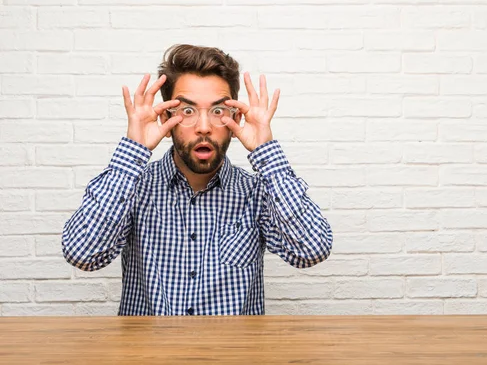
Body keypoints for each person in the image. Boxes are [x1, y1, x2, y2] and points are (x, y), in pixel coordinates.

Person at [62, 44, 333, 316]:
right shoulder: (134, 188)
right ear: (166, 118)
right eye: (188, 112)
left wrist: (267, 152)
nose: (204, 127)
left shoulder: (257, 192)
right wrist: (132, 152)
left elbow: (312, 251)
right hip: (148, 356)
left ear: (235, 119)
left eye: (217, 112)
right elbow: (83, 255)